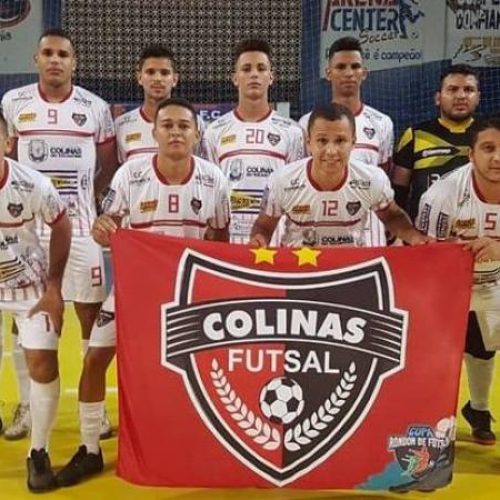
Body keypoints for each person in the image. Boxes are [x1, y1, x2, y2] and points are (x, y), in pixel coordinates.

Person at [55, 97, 230, 487]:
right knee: (95, 358)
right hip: (134, 293)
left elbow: (219, 240)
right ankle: (89, 448)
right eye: (167, 125)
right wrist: (101, 227)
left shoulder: (213, 179)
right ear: (154, 132)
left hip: (188, 297)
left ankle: (197, 442)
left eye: (183, 126)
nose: (175, 132)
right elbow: (108, 222)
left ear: (197, 134)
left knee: (196, 373)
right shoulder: (130, 174)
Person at [1, 28, 118, 440]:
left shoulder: (96, 107)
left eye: (63, 54)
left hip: (82, 227)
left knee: (89, 315)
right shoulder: (13, 103)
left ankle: (95, 409)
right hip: (29, 233)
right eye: (47, 53)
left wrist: (83, 201)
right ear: (36, 60)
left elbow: (106, 164)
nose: (55, 60)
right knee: (26, 317)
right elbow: (8, 160)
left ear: (74, 62)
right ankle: (27, 408)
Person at [417, 116, 500, 446]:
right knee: (437, 353)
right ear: (471, 154)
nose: (497, 158)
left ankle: (478, 409)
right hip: (446, 284)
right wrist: (456, 252)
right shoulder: (442, 194)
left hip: (494, 282)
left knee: (484, 348)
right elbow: (422, 248)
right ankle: (428, 420)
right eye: (488, 149)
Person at [0, 109, 71, 492]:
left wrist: (54, 288)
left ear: (8, 142)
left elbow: (61, 223)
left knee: (43, 363)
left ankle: (38, 451)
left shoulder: (33, 185)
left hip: (29, 290)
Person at [250, 103, 427, 248]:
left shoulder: (372, 179)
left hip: (350, 273)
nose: (331, 151)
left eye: (340, 141)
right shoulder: (282, 180)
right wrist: (259, 239)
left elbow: (392, 216)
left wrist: (413, 236)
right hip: (299, 273)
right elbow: (264, 225)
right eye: (322, 141)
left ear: (353, 142)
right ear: (309, 142)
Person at [205, 38, 305, 244]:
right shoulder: (214, 131)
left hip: (275, 243)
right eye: (246, 68)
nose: (254, 74)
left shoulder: (292, 131)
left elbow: (297, 191)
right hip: (229, 241)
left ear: (271, 77)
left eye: (261, 68)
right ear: (235, 78)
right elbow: (209, 189)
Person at [299, 36, 394, 247]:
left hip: (368, 225)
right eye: (341, 67)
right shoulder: (306, 122)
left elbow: (384, 176)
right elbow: (300, 176)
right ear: (328, 73)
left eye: (355, 66)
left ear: (364, 73)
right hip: (320, 223)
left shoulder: (382, 123)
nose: (349, 73)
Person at [392, 64, 480, 222]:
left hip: (478, 236)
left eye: (468, 90)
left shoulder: (491, 135)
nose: (461, 96)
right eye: (452, 90)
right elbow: (399, 191)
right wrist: (401, 232)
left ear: (478, 97)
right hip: (424, 237)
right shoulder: (415, 135)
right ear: (438, 98)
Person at [115, 44, 206, 162]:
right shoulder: (121, 125)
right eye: (150, 72)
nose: (158, 78)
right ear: (139, 78)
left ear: (174, 79)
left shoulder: (195, 123)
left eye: (164, 73)